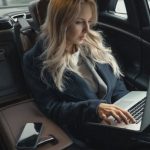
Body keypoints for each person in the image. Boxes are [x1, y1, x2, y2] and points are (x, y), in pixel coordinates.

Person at [23, 0, 150, 149]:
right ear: (59, 22)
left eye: (89, 22)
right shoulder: (35, 60)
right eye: (79, 22)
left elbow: (116, 83)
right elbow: (52, 108)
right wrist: (95, 109)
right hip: (86, 127)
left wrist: (128, 108)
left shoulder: (95, 43)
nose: (87, 29)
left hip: (115, 123)